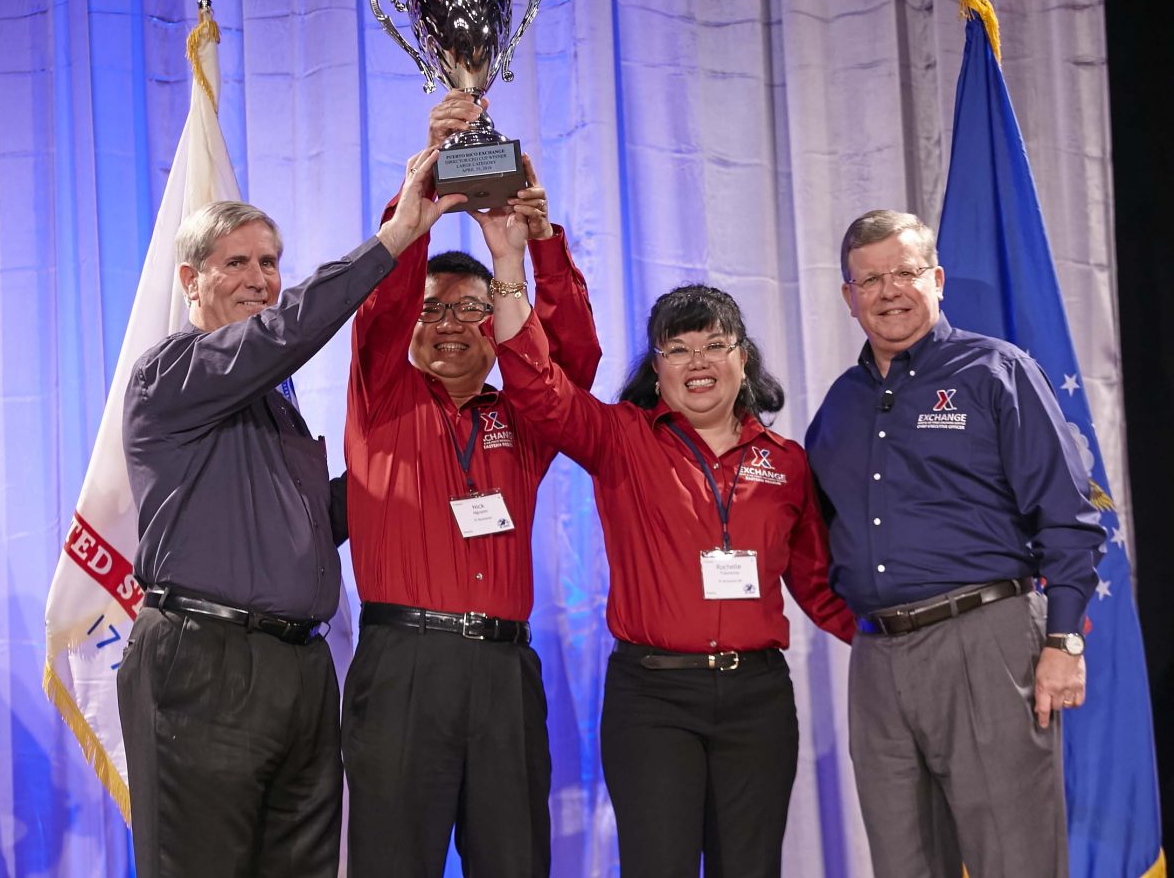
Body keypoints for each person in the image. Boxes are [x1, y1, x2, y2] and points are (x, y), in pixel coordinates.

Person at [118, 149, 459, 878]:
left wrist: (413, 446)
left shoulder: (276, 401)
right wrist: (395, 238)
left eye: (269, 261)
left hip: (299, 671)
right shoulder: (171, 371)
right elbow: (288, 332)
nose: (260, 279)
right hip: (206, 663)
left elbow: (307, 524)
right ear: (190, 280)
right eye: (235, 262)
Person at [488, 217, 853, 875]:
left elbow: (822, 587)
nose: (698, 362)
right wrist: (510, 261)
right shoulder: (621, 439)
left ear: (744, 359)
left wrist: (908, 641)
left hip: (758, 702)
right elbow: (536, 386)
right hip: (653, 700)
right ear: (657, 370)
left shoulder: (788, 463)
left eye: (715, 345)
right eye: (677, 349)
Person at [341, 93, 600, 876]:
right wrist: (425, 185)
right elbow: (382, 300)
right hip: (401, 667)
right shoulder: (381, 393)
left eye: (471, 310)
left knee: (515, 861)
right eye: (435, 311)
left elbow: (575, 363)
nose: (450, 323)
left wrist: (536, 244)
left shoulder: (520, 419)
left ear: (498, 326)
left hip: (501, 674)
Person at [803, 209, 1105, 877]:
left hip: (987, 639)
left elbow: (1070, 518)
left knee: (1014, 861)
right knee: (903, 863)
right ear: (848, 297)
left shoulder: (997, 371)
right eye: (870, 279)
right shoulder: (839, 406)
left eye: (905, 272)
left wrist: (1064, 642)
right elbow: (820, 534)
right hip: (878, 660)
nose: (889, 292)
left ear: (936, 278)